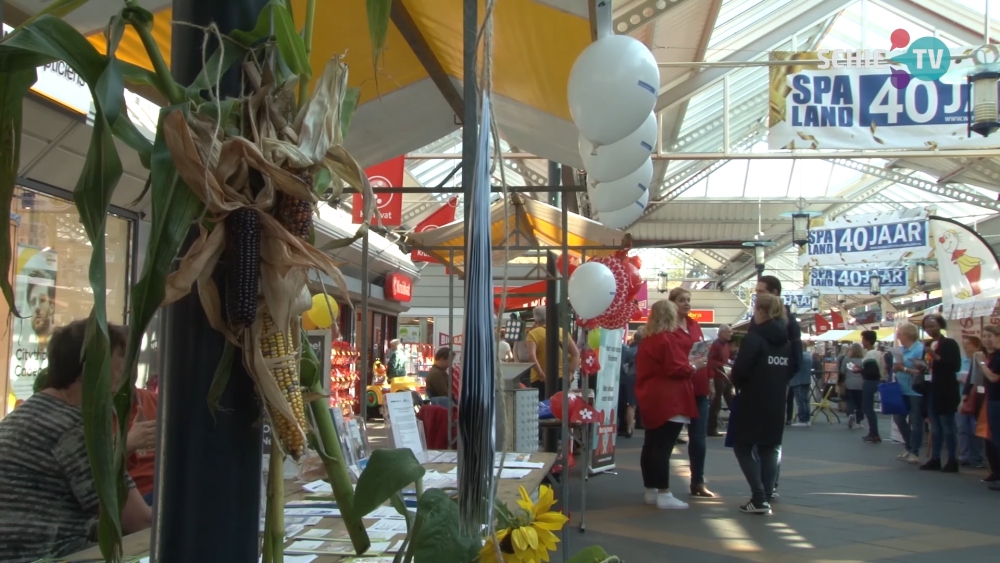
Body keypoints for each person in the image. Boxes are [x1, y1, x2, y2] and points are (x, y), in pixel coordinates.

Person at [0, 320, 152, 562]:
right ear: (91, 366)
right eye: (119, 356)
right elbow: (141, 522)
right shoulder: (77, 431)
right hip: (46, 556)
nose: (124, 366)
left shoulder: (25, 416)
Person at [635, 300, 703, 510]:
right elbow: (676, 368)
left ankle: (651, 489)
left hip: (651, 396)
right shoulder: (667, 339)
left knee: (651, 444)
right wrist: (694, 365)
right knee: (664, 447)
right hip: (670, 398)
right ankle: (664, 492)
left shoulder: (648, 339)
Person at [730, 293, 792, 515]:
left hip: (752, 400)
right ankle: (765, 496)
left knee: (743, 446)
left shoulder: (754, 338)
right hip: (776, 400)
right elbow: (790, 370)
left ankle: (758, 496)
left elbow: (740, 370)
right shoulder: (785, 341)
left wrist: (737, 381)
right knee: (769, 448)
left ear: (762, 311)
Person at [752, 276, 801, 494]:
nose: (758, 295)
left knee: (771, 440)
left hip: (776, 386)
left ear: (775, 293)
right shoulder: (757, 319)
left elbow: (797, 357)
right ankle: (763, 485)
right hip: (757, 386)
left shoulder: (789, 321)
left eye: (762, 291)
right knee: (757, 439)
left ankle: (769, 485)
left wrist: (782, 378)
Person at [668, 288, 714, 498]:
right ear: (672, 303)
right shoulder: (668, 327)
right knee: (667, 438)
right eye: (682, 300)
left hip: (699, 385)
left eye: (688, 300)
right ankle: (660, 485)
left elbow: (705, 353)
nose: (686, 304)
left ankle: (698, 481)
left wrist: (710, 379)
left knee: (699, 438)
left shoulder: (695, 325)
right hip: (677, 387)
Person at [919, 314, 961, 472]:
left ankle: (952, 459)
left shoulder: (949, 343)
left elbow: (954, 365)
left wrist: (935, 356)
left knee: (948, 426)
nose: (929, 330)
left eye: (932, 326)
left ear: (940, 326)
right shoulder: (928, 344)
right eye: (927, 327)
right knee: (935, 426)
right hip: (931, 389)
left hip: (946, 391)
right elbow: (929, 366)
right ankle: (935, 458)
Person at [525, 306, 580, 401]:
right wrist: (571, 374)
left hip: (540, 380)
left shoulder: (533, 334)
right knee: (560, 409)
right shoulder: (562, 331)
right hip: (562, 379)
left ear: (535, 319)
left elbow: (531, 356)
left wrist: (541, 375)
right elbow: (576, 354)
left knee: (543, 411)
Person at [893, 322, 926, 464]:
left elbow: (923, 371)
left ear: (907, 335)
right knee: (899, 418)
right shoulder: (900, 350)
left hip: (915, 390)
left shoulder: (920, 349)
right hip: (902, 388)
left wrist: (905, 369)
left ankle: (914, 450)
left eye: (899, 334)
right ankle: (909, 445)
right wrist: (895, 368)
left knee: (916, 421)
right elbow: (896, 367)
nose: (898, 336)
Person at [975, 325, 1000, 490]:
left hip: (997, 401)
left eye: (990, 336)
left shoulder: (996, 356)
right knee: (992, 438)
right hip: (991, 399)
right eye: (984, 336)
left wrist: (981, 362)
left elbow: (993, 377)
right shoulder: (992, 355)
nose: (987, 339)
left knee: (997, 438)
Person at [958, 336, 985, 468]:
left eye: (968, 344)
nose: (965, 346)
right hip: (963, 396)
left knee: (975, 429)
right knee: (962, 428)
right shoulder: (961, 360)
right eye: (964, 344)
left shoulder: (981, 359)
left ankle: (977, 457)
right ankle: (964, 456)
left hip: (978, 398)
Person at [707, 325, 735, 437]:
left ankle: (735, 426)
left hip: (725, 376)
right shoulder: (716, 345)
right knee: (716, 403)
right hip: (717, 376)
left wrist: (728, 365)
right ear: (721, 332)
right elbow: (710, 360)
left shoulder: (725, 345)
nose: (731, 334)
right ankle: (711, 428)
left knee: (731, 400)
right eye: (728, 332)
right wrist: (722, 366)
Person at [860, 330, 885, 443]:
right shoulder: (877, 353)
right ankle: (873, 432)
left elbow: (871, 371)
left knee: (868, 407)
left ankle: (874, 433)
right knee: (868, 408)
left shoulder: (871, 354)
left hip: (870, 382)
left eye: (863, 340)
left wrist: (860, 370)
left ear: (868, 341)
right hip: (876, 381)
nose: (862, 342)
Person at [618, 329, 642, 438]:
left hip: (623, 378)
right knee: (632, 404)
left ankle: (623, 426)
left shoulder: (627, 349)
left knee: (623, 403)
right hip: (635, 377)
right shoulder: (641, 351)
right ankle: (629, 428)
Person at [789, 347, 813, 427]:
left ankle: (802, 419)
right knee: (806, 400)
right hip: (807, 380)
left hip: (797, 380)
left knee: (800, 401)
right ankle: (807, 419)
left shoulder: (798, 357)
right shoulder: (809, 356)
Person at [844, 343, 866, 431]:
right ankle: (858, 421)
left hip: (849, 383)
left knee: (850, 400)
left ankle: (851, 414)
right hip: (861, 384)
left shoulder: (847, 359)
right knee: (859, 403)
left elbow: (842, 370)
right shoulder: (863, 360)